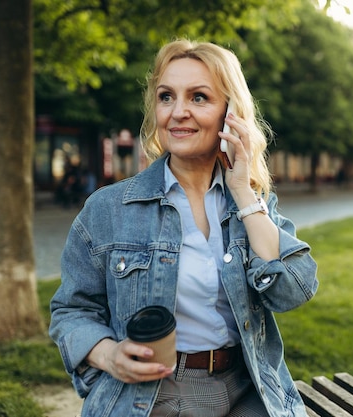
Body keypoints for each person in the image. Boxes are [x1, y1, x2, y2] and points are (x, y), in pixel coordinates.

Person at [49, 39, 319, 417]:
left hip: (249, 388)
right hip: (154, 395)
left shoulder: (250, 204)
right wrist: (109, 355)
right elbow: (71, 310)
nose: (178, 112)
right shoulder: (109, 209)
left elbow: (292, 290)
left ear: (230, 113)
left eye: (198, 98)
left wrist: (243, 191)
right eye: (166, 97)